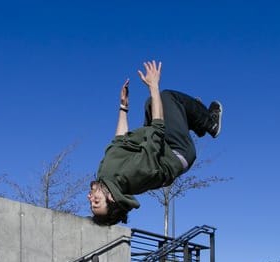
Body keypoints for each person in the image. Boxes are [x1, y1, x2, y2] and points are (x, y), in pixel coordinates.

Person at [88, 60, 222, 225]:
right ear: (112, 198)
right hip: (177, 151)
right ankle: (210, 123)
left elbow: (119, 141)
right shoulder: (132, 175)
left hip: (160, 145)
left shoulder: (104, 175)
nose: (90, 198)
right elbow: (158, 129)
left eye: (91, 203)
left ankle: (195, 121)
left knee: (151, 104)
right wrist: (153, 86)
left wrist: (123, 107)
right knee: (166, 97)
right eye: (96, 202)